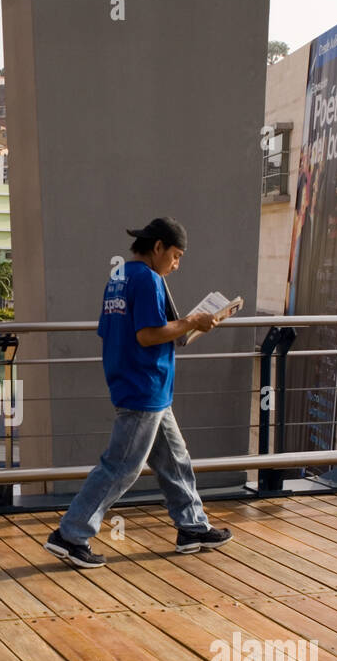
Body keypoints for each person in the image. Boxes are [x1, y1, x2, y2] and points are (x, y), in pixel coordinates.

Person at [45, 217, 232, 569]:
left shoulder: (118, 277)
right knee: (121, 467)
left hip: (140, 384)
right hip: (144, 387)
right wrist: (193, 322)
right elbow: (147, 334)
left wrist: (184, 326)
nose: (176, 265)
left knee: (175, 459)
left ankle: (192, 527)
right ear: (158, 247)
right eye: (175, 256)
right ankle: (70, 534)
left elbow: (115, 330)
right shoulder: (149, 279)